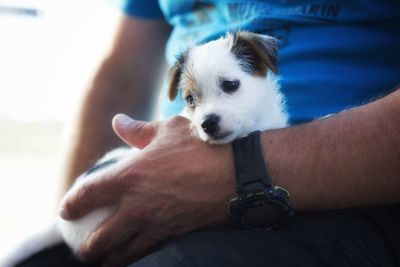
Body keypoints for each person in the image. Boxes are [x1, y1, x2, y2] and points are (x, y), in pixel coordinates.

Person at [29, 1, 400, 267]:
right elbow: (122, 75)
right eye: (192, 99)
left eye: (229, 85)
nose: (207, 114)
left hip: (349, 200)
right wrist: (75, 224)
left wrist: (239, 172)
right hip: (163, 196)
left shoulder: (258, 53)